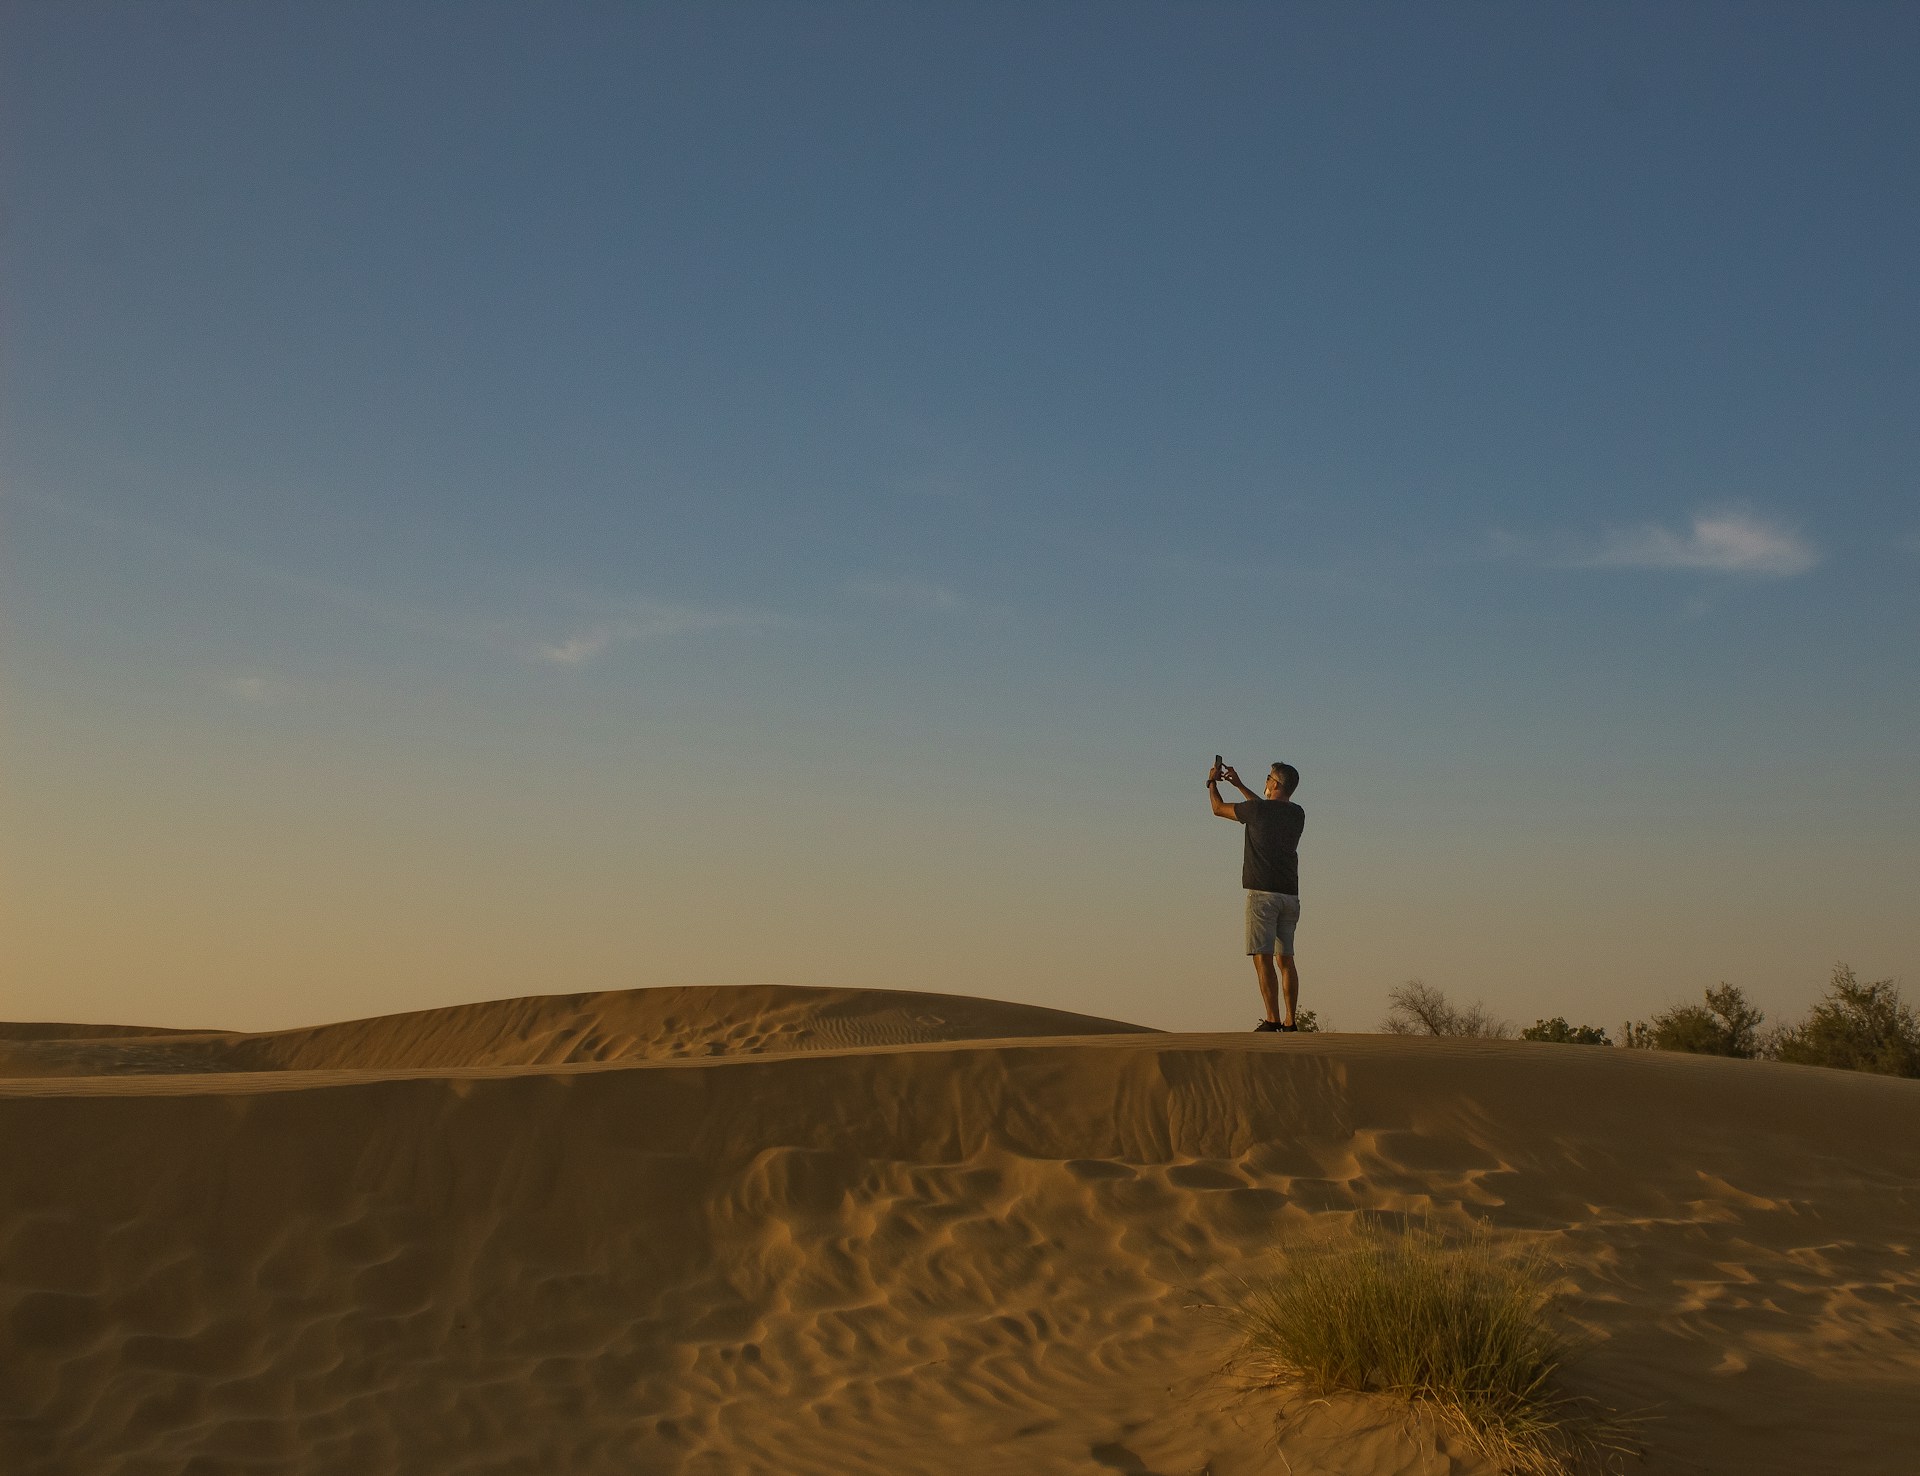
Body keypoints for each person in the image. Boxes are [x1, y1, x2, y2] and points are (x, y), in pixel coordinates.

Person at [1206, 759, 1305, 1032]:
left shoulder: (1258, 810)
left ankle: (1272, 1019)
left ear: (1274, 783)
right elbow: (1263, 809)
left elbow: (1217, 809)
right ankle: (1290, 1021)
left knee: (1262, 957)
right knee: (1286, 960)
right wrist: (1239, 785)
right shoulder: (1297, 814)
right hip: (1289, 896)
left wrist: (1212, 781)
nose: (1266, 781)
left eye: (1268, 777)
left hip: (1262, 895)